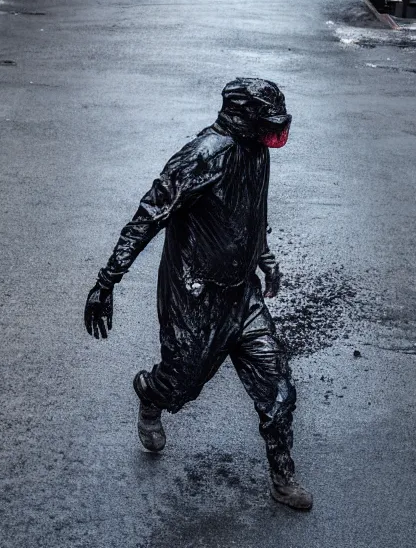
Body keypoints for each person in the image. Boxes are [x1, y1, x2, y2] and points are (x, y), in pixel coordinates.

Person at [84, 78, 310, 510]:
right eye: (269, 124)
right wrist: (106, 282)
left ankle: (283, 478)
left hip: (242, 297)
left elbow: (248, 213)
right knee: (181, 386)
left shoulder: (256, 151)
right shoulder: (203, 156)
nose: (275, 134)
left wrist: (264, 258)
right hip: (194, 297)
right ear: (244, 118)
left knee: (279, 390)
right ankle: (151, 393)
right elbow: (148, 215)